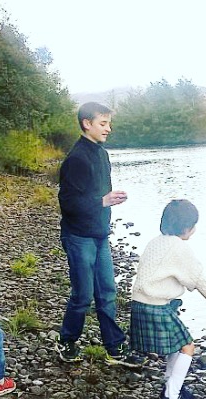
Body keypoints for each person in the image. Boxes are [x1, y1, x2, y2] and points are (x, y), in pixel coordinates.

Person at [130, 199, 206, 399]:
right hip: (156, 306)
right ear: (186, 228)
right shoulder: (179, 247)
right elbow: (199, 279)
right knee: (188, 347)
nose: (194, 230)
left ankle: (171, 388)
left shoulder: (156, 242)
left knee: (177, 346)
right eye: (193, 225)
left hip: (140, 303)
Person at [56, 101, 133, 365]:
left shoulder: (101, 153)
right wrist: (102, 201)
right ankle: (66, 341)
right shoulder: (76, 158)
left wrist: (109, 201)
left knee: (108, 292)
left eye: (109, 123)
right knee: (83, 296)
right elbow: (67, 203)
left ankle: (115, 348)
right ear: (86, 124)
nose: (108, 128)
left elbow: (100, 193)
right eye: (103, 123)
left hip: (99, 234)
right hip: (78, 236)